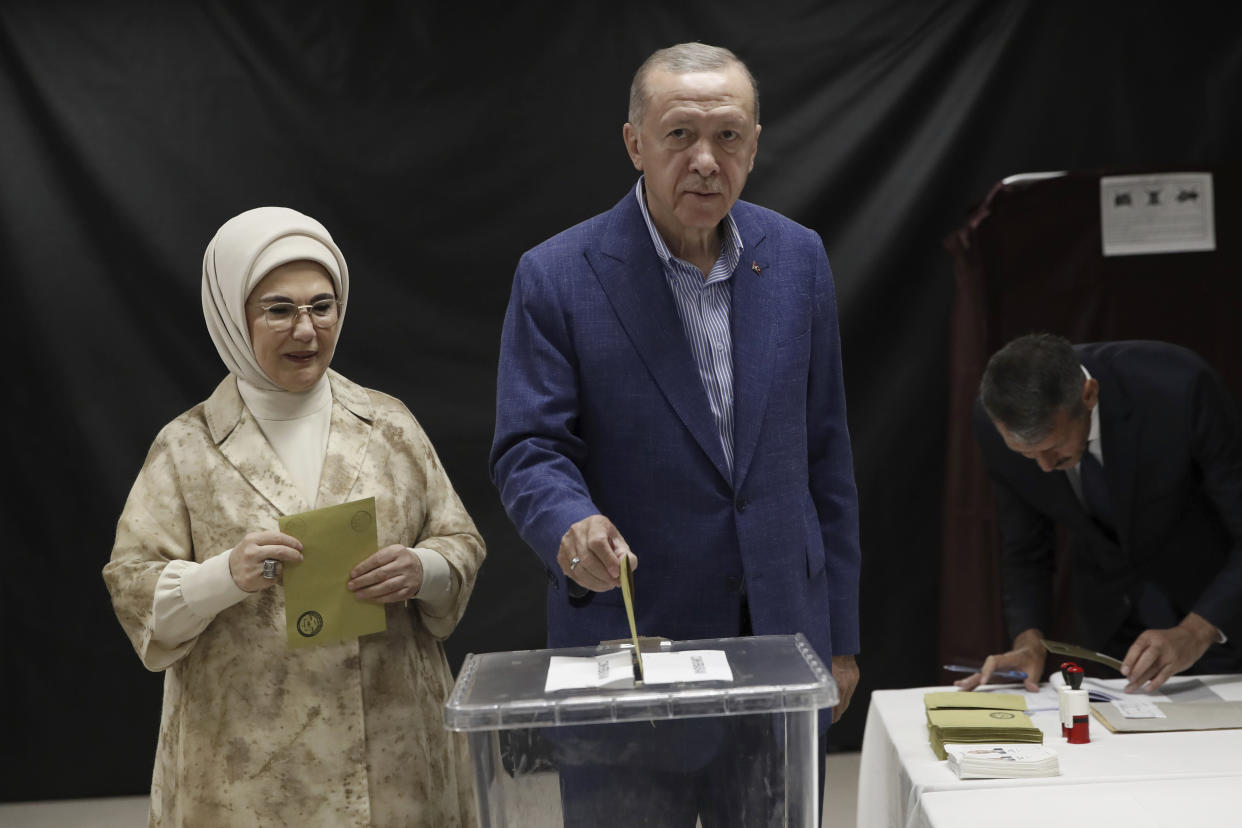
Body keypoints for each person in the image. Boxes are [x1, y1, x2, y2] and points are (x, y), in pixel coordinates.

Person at [489, 42, 861, 823]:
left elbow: (826, 455)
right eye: (679, 135)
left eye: (727, 137)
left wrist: (841, 636)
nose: (704, 160)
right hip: (630, 645)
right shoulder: (558, 275)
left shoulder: (798, 259)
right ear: (635, 144)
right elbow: (530, 448)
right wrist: (569, 526)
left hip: (780, 641)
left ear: (755, 146)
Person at [103, 206, 486, 827]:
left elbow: (458, 538)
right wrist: (224, 575)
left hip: (396, 756)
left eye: (322, 306)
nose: (306, 330)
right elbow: (132, 584)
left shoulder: (389, 424)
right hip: (248, 767)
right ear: (231, 313)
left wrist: (425, 569)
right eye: (278, 309)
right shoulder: (187, 448)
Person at [959, 333, 1242, 695]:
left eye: (1054, 448)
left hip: (1215, 616)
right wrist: (1028, 639)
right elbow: (1025, 547)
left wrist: (1197, 630)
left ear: (1089, 394)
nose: (1045, 467)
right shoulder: (991, 419)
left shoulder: (1179, 387)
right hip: (1111, 625)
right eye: (1027, 455)